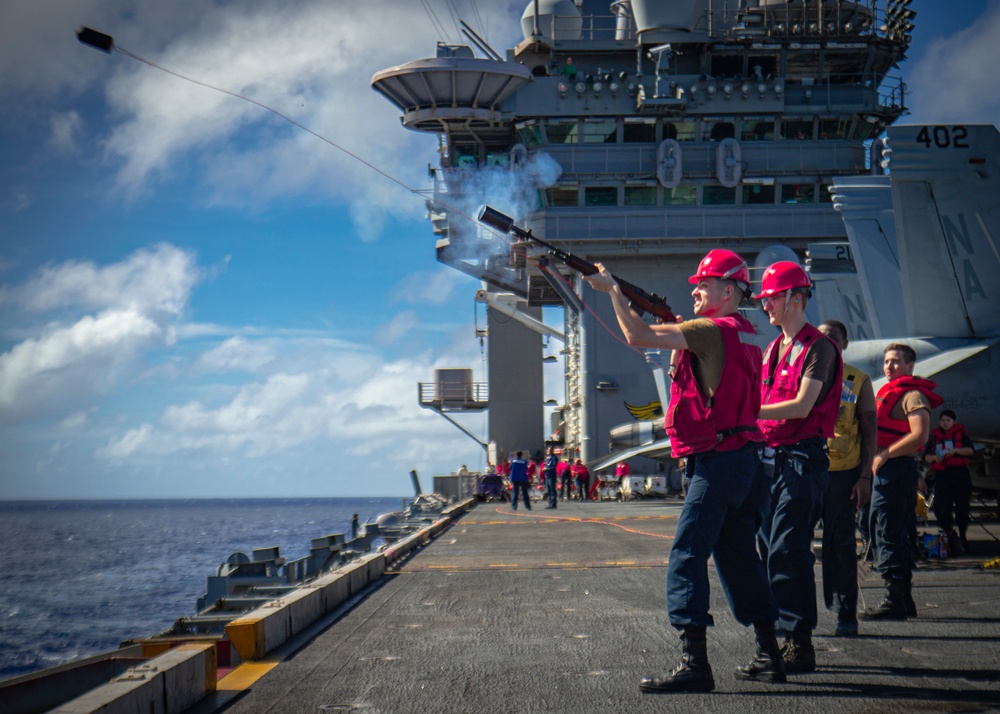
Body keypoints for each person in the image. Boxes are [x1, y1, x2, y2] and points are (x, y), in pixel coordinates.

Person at [585, 249, 783, 693]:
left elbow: (636, 336)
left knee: (687, 555)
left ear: (728, 291)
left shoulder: (709, 330)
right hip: (746, 462)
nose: (696, 289)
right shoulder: (749, 333)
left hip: (717, 462)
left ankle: (695, 663)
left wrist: (612, 291)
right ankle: (770, 654)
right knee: (739, 559)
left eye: (705, 284)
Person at [755, 262, 842, 673]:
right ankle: (780, 639)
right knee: (769, 551)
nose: (766, 305)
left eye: (772, 297)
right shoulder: (773, 349)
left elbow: (802, 406)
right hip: (771, 463)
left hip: (802, 462)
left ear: (797, 299)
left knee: (788, 551)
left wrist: (744, 409)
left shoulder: (819, 348)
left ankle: (799, 643)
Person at [862, 343, 942, 620]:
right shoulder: (889, 393)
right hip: (888, 471)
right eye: (886, 362)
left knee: (888, 531)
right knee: (890, 529)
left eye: (896, 362)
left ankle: (895, 599)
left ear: (910, 366)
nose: (889, 367)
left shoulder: (913, 396)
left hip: (894, 470)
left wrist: (883, 455)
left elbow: (920, 435)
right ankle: (904, 600)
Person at [818, 320, 876, 637]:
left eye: (833, 338)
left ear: (844, 343)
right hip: (806, 472)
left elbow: (870, 431)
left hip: (842, 476)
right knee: (788, 546)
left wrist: (864, 477)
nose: (826, 343)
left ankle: (846, 615)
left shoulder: (857, 381)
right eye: (820, 338)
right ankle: (792, 619)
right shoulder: (802, 377)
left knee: (841, 547)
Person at [924, 409, 974, 555]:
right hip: (943, 474)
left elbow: (970, 451)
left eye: (948, 420)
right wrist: (933, 458)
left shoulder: (961, 435)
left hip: (960, 474)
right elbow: (926, 455)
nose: (945, 423)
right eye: (943, 420)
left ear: (954, 422)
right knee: (943, 506)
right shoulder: (935, 438)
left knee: (962, 507)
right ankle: (948, 535)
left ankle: (963, 535)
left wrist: (955, 451)